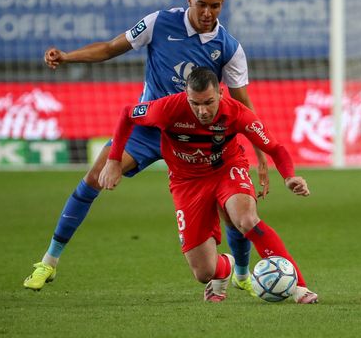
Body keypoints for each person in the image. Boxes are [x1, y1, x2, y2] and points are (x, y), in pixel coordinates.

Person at [24, 0, 269, 295]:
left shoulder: (229, 47)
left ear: (222, 5)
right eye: (201, 4)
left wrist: (261, 156)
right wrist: (68, 57)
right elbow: (112, 48)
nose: (208, 12)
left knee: (231, 208)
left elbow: (243, 104)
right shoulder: (159, 23)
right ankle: (48, 263)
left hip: (201, 136)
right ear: (189, 0)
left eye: (215, 6)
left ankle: (240, 274)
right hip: (152, 127)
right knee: (94, 177)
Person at [98, 67, 318, 303]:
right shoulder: (167, 108)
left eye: (209, 102)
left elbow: (275, 148)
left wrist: (289, 176)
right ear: (186, 95)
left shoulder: (236, 113)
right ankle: (225, 268)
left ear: (221, 94)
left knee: (246, 219)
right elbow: (127, 114)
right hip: (186, 182)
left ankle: (299, 288)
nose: (202, 111)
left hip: (226, 169)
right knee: (203, 273)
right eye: (195, 103)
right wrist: (113, 160)